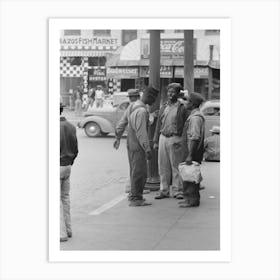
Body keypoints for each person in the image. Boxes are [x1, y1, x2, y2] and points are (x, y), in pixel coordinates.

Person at [114, 86, 159, 206]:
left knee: (134, 170)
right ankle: (136, 198)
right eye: (154, 98)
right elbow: (141, 133)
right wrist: (147, 149)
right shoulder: (142, 111)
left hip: (130, 142)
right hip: (138, 144)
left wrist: (117, 138)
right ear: (150, 96)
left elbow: (121, 124)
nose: (154, 102)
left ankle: (133, 194)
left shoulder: (132, 106)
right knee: (140, 171)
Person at [153, 83, 189, 200]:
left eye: (173, 92)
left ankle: (177, 190)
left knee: (176, 166)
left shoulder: (182, 108)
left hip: (175, 138)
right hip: (163, 137)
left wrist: (183, 141)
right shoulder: (164, 107)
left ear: (178, 94)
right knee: (162, 166)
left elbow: (186, 126)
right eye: (169, 91)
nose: (170, 94)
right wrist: (155, 141)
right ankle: (164, 190)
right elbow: (159, 124)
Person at [179, 92, 205, 208]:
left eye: (188, 101)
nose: (185, 103)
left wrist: (190, 154)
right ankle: (189, 198)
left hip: (192, 151)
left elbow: (194, 137)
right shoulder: (194, 116)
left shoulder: (195, 118)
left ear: (193, 104)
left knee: (191, 176)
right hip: (191, 150)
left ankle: (192, 200)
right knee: (188, 175)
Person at [60, 102, 78, 242]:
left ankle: (61, 233)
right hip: (67, 166)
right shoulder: (71, 126)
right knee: (65, 198)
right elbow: (76, 150)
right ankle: (69, 229)